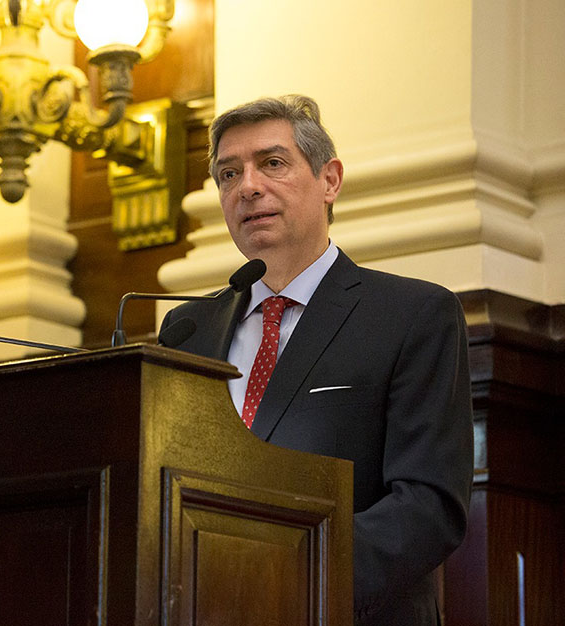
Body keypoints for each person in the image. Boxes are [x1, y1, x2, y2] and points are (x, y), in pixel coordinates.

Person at [159, 95, 473, 625]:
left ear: (330, 180)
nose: (248, 186)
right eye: (228, 174)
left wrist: (284, 572)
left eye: (272, 163)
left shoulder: (413, 314)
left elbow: (428, 506)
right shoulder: (188, 329)